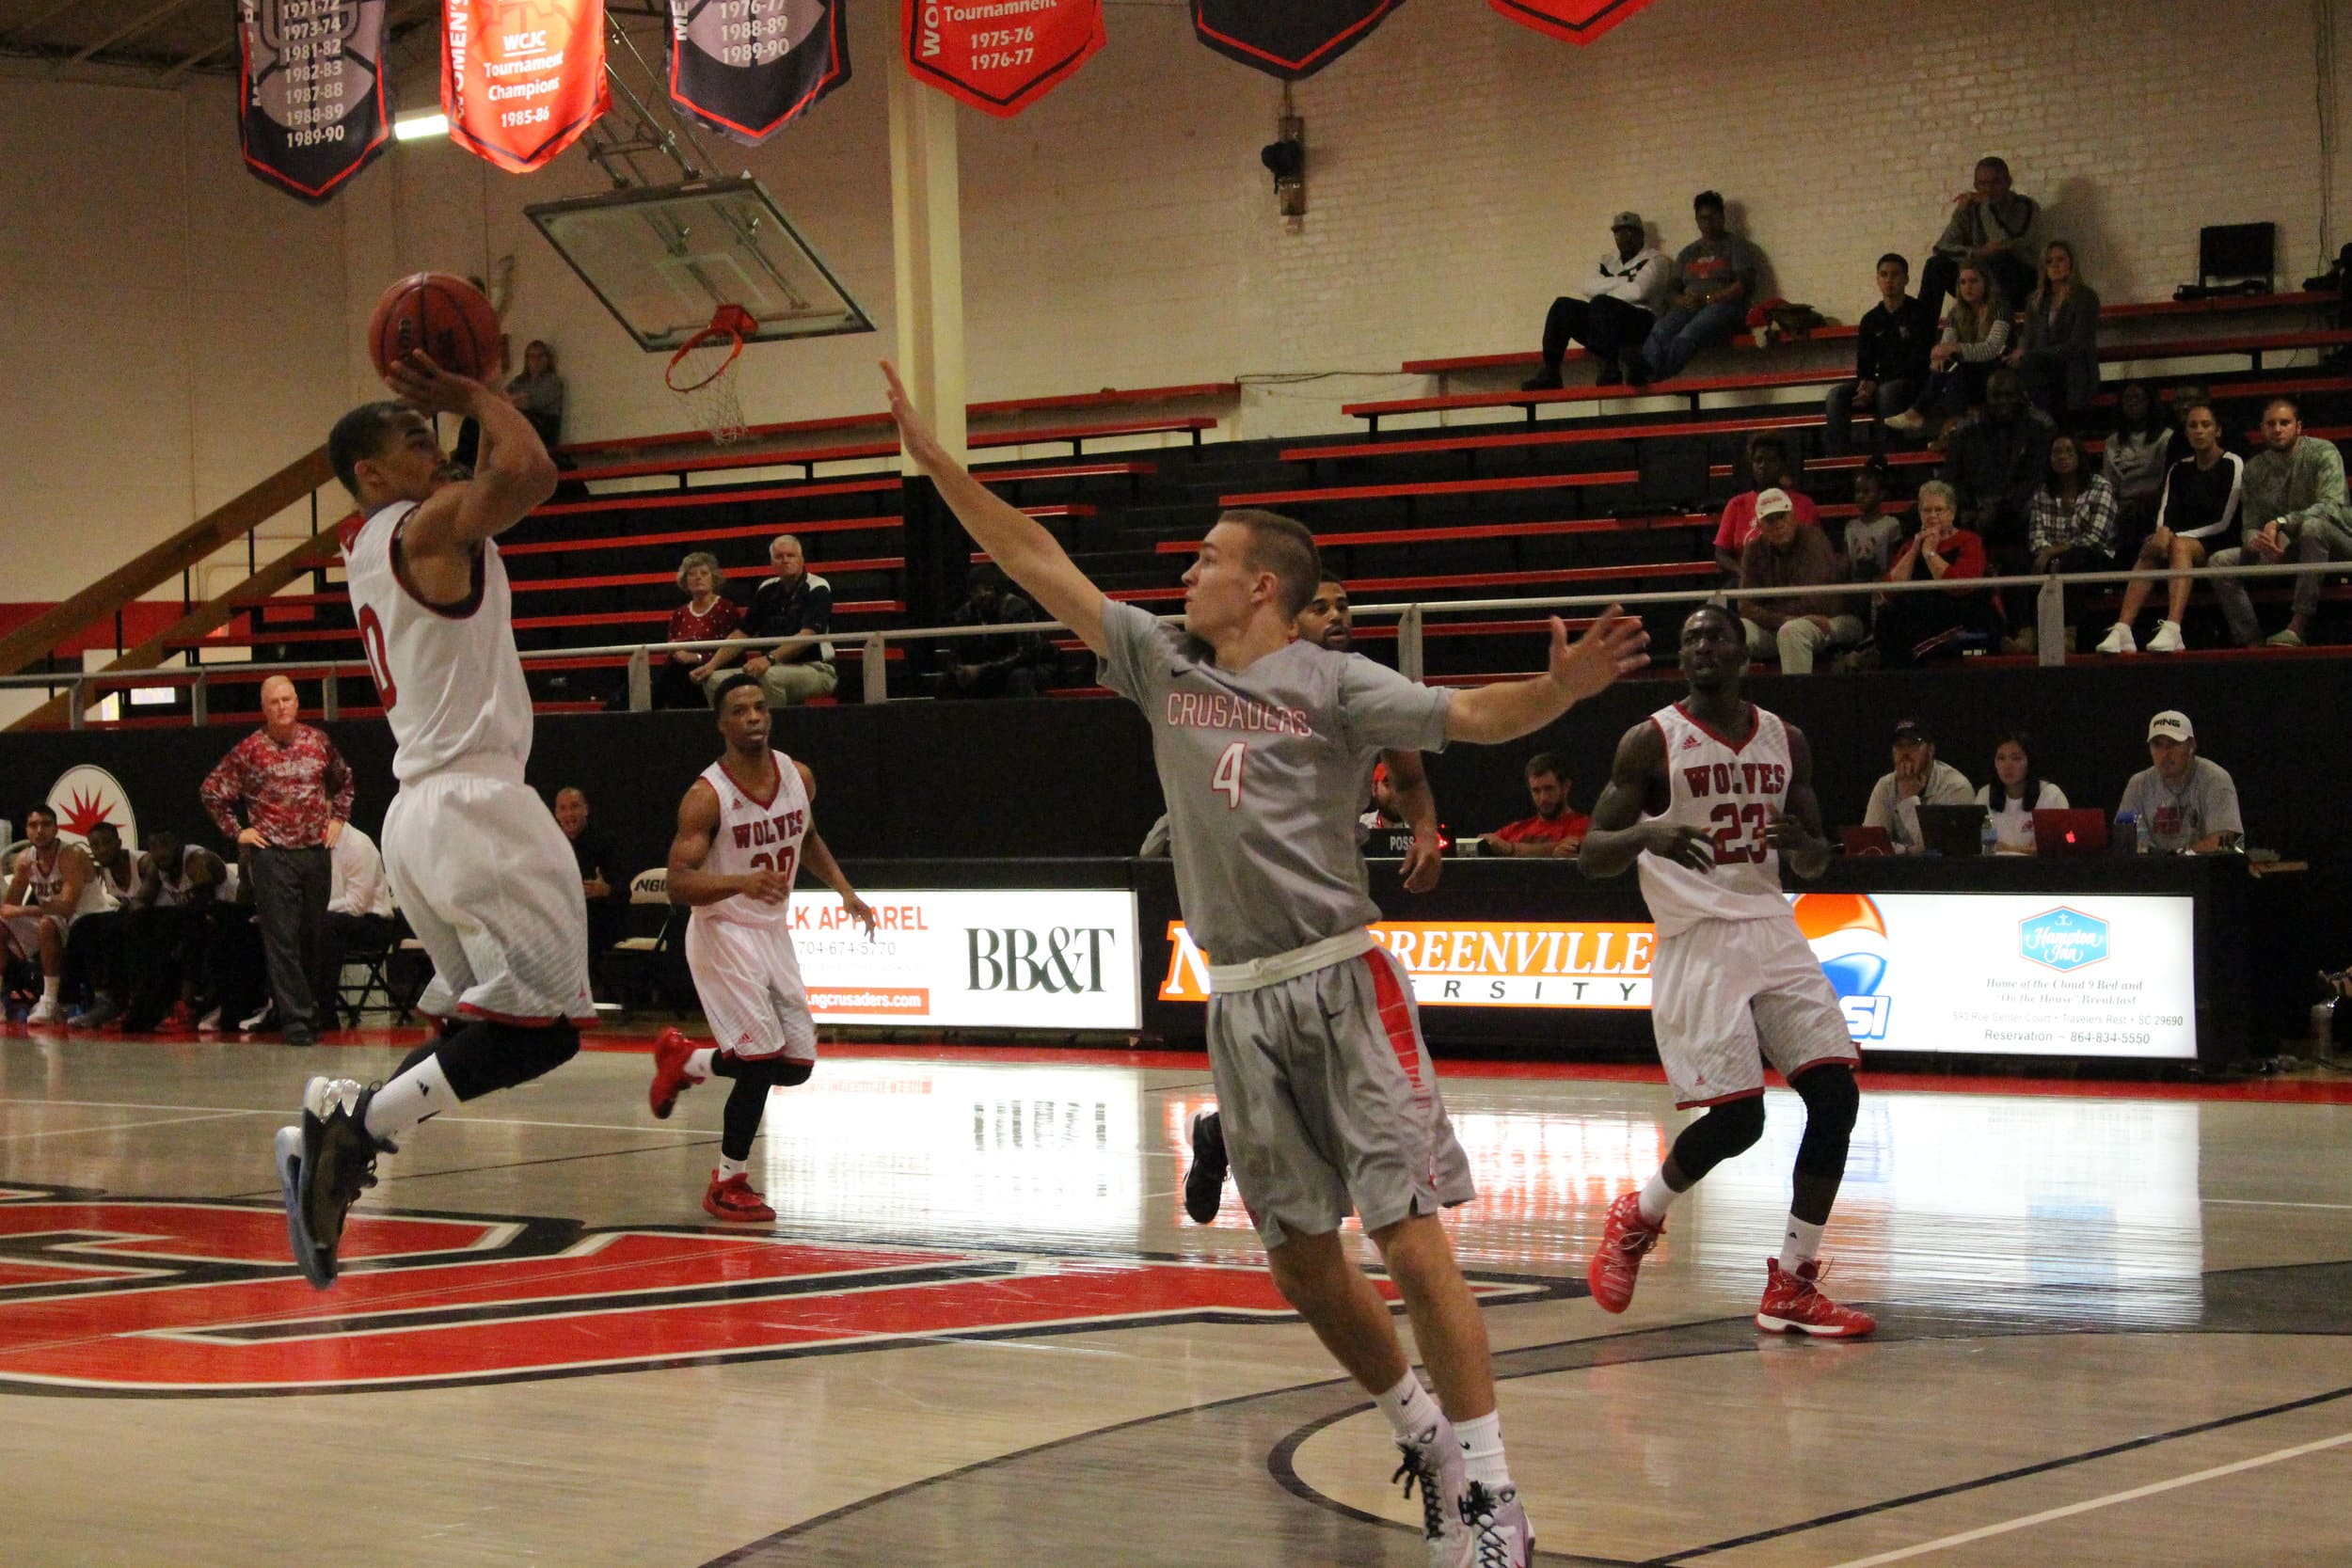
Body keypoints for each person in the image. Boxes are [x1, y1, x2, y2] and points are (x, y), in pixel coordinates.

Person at [883, 358, 1650, 1568]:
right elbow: (1037, 557)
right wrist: (940, 468)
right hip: (1236, 1001)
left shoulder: (1338, 683)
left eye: (1201, 558)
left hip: (1341, 978)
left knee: (1408, 1235)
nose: (1181, 572)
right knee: (1298, 1259)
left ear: (1259, 585)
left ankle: (1496, 1493)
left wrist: (1557, 687)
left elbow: (1474, 717)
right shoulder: (1160, 664)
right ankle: (1425, 1438)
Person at [278, 346, 596, 1291]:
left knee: (488, 1025)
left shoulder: (378, 544)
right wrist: (473, 393)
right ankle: (354, 1127)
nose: (436, 445)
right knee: (542, 1030)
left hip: (429, 810)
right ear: (372, 475)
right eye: (414, 438)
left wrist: (464, 406)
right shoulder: (420, 530)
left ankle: (330, 1133)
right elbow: (532, 471)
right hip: (474, 805)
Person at [1577, 604, 1874, 1338]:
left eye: (1714, 637)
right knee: (1740, 1120)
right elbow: (1591, 853)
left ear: (1745, 653)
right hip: (1698, 933)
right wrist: (1648, 832)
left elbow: (1810, 857)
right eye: (1689, 640)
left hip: (1770, 926)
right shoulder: (1651, 740)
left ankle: (1794, 1282)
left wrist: (1810, 844)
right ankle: (1638, 1214)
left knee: (1835, 1096)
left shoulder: (1787, 739)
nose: (1700, 647)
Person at [646, 674, 877, 1220]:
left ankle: (687, 1059)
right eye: (740, 711)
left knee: (794, 1065)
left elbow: (809, 837)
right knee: (759, 1060)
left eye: (759, 707)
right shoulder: (707, 797)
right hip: (723, 931)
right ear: (722, 723)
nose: (753, 717)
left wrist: (846, 891)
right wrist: (740, 883)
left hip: (771, 931)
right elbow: (678, 883)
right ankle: (729, 1181)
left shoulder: (798, 776)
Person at [199, 674, 354, 1046]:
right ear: (264, 708)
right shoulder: (250, 750)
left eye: (287, 699)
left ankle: (313, 1012)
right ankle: (297, 1024)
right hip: (273, 856)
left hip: (314, 853)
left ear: (298, 703)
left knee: (311, 937)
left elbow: (344, 781)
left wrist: (337, 819)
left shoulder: (319, 742)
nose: (282, 707)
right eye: (274, 702)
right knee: (281, 939)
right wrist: (238, 831)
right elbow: (212, 791)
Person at [2098, 399, 2243, 655]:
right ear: (2186, 431)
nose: (2198, 431)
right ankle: (2123, 628)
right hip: (2182, 541)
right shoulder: (2179, 469)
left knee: (2176, 544)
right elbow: (2166, 511)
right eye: (2193, 426)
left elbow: (2225, 520)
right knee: (2152, 546)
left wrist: (2173, 535)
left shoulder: (2232, 463)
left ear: (2217, 430)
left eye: (2205, 425)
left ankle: (2173, 628)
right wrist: (2161, 533)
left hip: (2219, 539)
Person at [2210, 398, 2352, 648]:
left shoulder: (2323, 451)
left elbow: (2331, 506)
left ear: (2298, 427)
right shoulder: (2254, 468)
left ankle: (2297, 627)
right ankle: (2251, 642)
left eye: (2284, 423)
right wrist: (2257, 541)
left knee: (2313, 526)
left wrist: (2282, 522)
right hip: (2285, 548)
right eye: (2271, 424)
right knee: (2219, 562)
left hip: (2338, 543)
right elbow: (2250, 524)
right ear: (2262, 429)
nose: (2277, 429)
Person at [1625, 191, 1760, 387]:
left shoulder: (1736, 245)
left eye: (1713, 217)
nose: (1708, 223)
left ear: (1722, 217)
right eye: (1703, 218)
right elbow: (1671, 290)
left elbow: (1745, 283)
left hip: (1725, 307)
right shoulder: (1688, 253)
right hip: (1690, 305)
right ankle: (1647, 369)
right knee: (1660, 329)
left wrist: (1714, 296)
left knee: (1690, 333)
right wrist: (1682, 300)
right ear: (1697, 220)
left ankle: (1650, 373)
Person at [1524, 211, 1672, 389]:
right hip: (1605, 320)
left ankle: (1611, 367)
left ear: (1640, 234)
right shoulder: (1608, 261)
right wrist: (1624, 281)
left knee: (1601, 303)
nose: (1625, 237)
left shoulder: (1656, 260)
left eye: (1630, 232)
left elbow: (1638, 292)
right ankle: (1551, 371)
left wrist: (1605, 288)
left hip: (1641, 321)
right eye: (1619, 232)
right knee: (1562, 306)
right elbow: (1586, 287)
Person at [1936, 368, 2056, 576]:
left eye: (2009, 395)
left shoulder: (2039, 427)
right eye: (1997, 395)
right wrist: (1966, 507)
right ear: (1987, 397)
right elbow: (1952, 477)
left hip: (2018, 506)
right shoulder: (1965, 430)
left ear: (2020, 396)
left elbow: (2037, 477)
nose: (2003, 401)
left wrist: (2000, 509)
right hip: (1975, 505)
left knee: (2035, 507)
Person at [2, 805, 112, 1025]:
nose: (40, 830)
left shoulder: (71, 855)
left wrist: (23, 910)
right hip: (57, 923)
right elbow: (9, 908)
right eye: (34, 825)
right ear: (26, 831)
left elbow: (66, 907)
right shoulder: (26, 858)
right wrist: (19, 877)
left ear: (56, 829)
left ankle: (50, 1001)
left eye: (46, 824)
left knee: (47, 924)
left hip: (88, 921)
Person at [1738, 488, 1864, 673]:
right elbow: (1745, 606)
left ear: (1793, 515)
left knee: (1792, 632)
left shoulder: (1814, 540)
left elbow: (1818, 603)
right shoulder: (1753, 549)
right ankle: (1732, 701)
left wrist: (1771, 614)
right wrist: (1782, 618)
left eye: (1783, 516)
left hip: (1833, 620)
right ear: (1760, 525)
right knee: (1736, 631)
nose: (1779, 524)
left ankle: (1796, 701)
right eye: (1770, 520)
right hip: (1781, 624)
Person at [1821, 253, 1936, 456]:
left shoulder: (1919, 313)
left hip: (1912, 386)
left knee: (1887, 392)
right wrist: (1865, 386)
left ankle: (1889, 457)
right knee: (1835, 395)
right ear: (1877, 280)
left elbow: (1918, 362)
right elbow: (1864, 363)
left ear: (1906, 279)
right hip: (1879, 385)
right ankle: (1838, 460)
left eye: (1895, 275)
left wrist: (1877, 383)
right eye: (1884, 275)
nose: (1889, 280)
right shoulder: (1870, 319)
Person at [1883, 263, 2011, 436]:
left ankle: (1920, 413)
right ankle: (1955, 426)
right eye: (1963, 282)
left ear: (1986, 284)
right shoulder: (1956, 312)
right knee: (1950, 367)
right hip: (1965, 374)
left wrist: (1955, 349)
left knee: (1953, 366)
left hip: (1996, 372)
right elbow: (1946, 346)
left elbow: (1992, 349)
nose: (1968, 287)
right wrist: (1939, 356)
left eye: (1973, 281)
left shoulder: (2000, 308)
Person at [708, 534, 837, 705]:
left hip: (816, 668)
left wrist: (769, 659)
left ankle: (775, 731)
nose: (785, 560)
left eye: (790, 555)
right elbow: (743, 632)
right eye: (779, 556)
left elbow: (808, 636)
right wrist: (711, 665)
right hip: (772, 666)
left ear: (802, 559)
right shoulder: (766, 588)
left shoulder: (817, 587)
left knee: (768, 677)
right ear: (772, 563)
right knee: (714, 680)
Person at [1876, 481, 1995, 666]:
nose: (1932, 516)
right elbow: (1888, 592)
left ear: (1952, 512)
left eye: (1939, 510)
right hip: (1920, 621)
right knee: (1887, 620)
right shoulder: (1910, 545)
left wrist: (1929, 553)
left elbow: (1959, 586)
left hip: (1962, 620)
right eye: (1926, 510)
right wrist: (1916, 548)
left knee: (1907, 646)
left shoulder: (1969, 541)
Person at [2026, 431, 2122, 648]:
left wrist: (2052, 552)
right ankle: (2027, 635)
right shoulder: (2043, 492)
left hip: (2094, 558)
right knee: (2017, 562)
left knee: (2075, 559)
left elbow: (2095, 538)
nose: (2062, 456)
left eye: (2068, 451)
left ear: (2079, 456)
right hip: (2051, 559)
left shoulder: (2100, 487)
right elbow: (2036, 536)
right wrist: (2047, 554)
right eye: (2056, 452)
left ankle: (2068, 634)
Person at [1918, 155, 2039, 323]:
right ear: (1975, 186)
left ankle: (2005, 325)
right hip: (1981, 279)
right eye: (1983, 184)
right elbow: (1942, 247)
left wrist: (1986, 208)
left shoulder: (2025, 206)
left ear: (2008, 182)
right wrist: (1976, 252)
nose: (1989, 189)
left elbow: (2004, 243)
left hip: (2017, 278)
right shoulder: (1969, 208)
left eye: (1995, 182)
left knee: (2000, 258)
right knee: (1936, 265)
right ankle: (1922, 332)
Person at [2118, 710, 2243, 853]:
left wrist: (2182, 856)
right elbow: (2124, 840)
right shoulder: (2137, 784)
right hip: (2153, 871)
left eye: (2174, 744)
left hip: (2205, 871)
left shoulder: (2216, 779)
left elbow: (2233, 843)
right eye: (2157, 745)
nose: (2165, 753)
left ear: (2192, 746)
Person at [2007, 240, 2101, 424]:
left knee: (2031, 363)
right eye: (2049, 262)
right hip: (2041, 369)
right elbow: (2028, 338)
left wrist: (2030, 354)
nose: (2055, 266)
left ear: (2071, 263)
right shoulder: (2036, 300)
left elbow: (2077, 345)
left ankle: (2048, 423)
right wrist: (2021, 354)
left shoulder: (2085, 297)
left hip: (2073, 368)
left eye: (2060, 260)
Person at [60, 822, 136, 1027]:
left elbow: (145, 904)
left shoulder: (142, 862)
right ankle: (68, 1002)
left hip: (164, 921)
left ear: (119, 843)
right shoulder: (105, 872)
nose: (102, 849)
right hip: (136, 923)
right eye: (95, 845)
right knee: (83, 926)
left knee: (108, 929)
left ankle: (112, 1002)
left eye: (107, 843)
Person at [1710, 435, 1820, 578]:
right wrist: (1743, 573)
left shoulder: (1804, 504)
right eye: (1758, 460)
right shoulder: (1736, 504)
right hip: (1748, 583)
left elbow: (1814, 550)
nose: (1763, 465)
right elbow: (1720, 554)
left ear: (1782, 464)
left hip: (1795, 582)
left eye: (1771, 460)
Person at [554, 785, 629, 990]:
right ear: (556, 813)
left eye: (574, 807)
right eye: (563, 808)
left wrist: (606, 890)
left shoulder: (606, 842)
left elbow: (625, 890)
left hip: (600, 920)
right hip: (562, 919)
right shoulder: (551, 844)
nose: (569, 814)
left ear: (585, 809)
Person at [1862, 717, 1975, 854]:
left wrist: (1909, 799)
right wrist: (1907, 851)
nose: (1905, 752)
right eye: (1899, 745)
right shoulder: (1885, 785)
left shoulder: (1955, 787)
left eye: (1914, 744)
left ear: (1931, 749)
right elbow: (1871, 846)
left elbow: (1934, 850)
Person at [323, 821, 398, 1024]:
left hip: (374, 924)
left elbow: (357, 905)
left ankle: (325, 1010)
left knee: (327, 927)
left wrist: (315, 912)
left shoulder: (357, 845)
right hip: (336, 918)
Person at [946, 565, 1058, 698]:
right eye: (976, 591)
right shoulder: (963, 615)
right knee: (948, 682)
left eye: (987, 589)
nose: (982, 595)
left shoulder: (1017, 608)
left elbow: (1027, 654)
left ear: (996, 590)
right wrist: (959, 670)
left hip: (1027, 666)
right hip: (987, 669)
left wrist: (983, 669)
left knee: (1019, 676)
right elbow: (955, 653)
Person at [655, 551, 743, 710]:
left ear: (713, 578)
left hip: (714, 668)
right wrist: (679, 655)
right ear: (685, 580)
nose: (698, 577)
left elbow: (735, 652)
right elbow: (671, 646)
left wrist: (697, 657)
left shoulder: (726, 609)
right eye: (692, 574)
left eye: (704, 573)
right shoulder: (680, 613)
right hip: (679, 671)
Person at [2101, 382, 2180, 539]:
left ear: (2150, 402)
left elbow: (2168, 483)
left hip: (2155, 507)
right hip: (2122, 509)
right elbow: (2109, 485)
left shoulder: (2167, 437)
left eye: (2138, 397)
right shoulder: (2112, 442)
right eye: (2127, 398)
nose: (2132, 402)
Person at [1479, 753, 1590, 857]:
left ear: (1566, 786)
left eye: (1549, 788)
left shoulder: (1584, 825)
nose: (1543, 798)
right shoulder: (1515, 829)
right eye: (1536, 791)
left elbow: (1570, 848)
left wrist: (1511, 849)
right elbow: (1484, 843)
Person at [1975, 732, 2069, 853]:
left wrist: (2008, 849)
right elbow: (1977, 846)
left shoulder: (2050, 795)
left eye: (2016, 758)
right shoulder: (1984, 794)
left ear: (2029, 761)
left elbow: (2055, 849)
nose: (2007, 765)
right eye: (2001, 758)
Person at [1841, 462, 1906, 583]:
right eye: (1857, 491)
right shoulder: (1851, 527)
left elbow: (1893, 562)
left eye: (1866, 492)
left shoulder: (1891, 525)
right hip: (1857, 587)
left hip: (1882, 586)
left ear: (1881, 494)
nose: (1860, 496)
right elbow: (1847, 562)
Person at [503, 339, 564, 450]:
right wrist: (517, 398)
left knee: (516, 416)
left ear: (547, 359)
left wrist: (512, 400)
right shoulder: (519, 381)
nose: (537, 360)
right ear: (527, 360)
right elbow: (500, 398)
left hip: (543, 426)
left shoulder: (552, 381)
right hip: (522, 423)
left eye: (541, 356)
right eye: (532, 356)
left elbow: (532, 403)